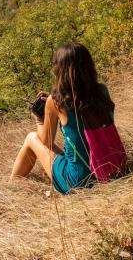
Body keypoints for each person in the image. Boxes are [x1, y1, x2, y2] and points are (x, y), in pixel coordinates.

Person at [10, 41, 116, 193]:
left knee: (31, 138)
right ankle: (12, 185)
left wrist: (39, 118)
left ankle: (10, 187)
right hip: (109, 169)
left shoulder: (56, 102)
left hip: (78, 180)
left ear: (61, 70)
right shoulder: (102, 91)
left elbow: (46, 141)